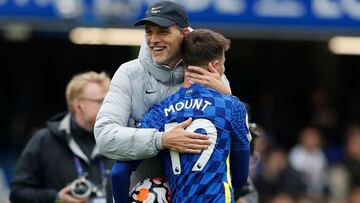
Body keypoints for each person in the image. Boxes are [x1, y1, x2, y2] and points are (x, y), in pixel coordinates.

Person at [94, 0, 258, 201]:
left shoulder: (213, 75)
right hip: (146, 190)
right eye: (149, 32)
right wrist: (161, 140)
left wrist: (229, 96)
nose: (153, 39)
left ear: (185, 33)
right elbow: (104, 137)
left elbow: (234, 140)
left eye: (162, 32)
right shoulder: (128, 73)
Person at [10, 71, 114, 203]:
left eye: (109, 100)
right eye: (100, 101)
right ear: (78, 105)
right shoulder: (44, 141)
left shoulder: (116, 138)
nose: (107, 106)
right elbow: (18, 192)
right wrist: (56, 198)